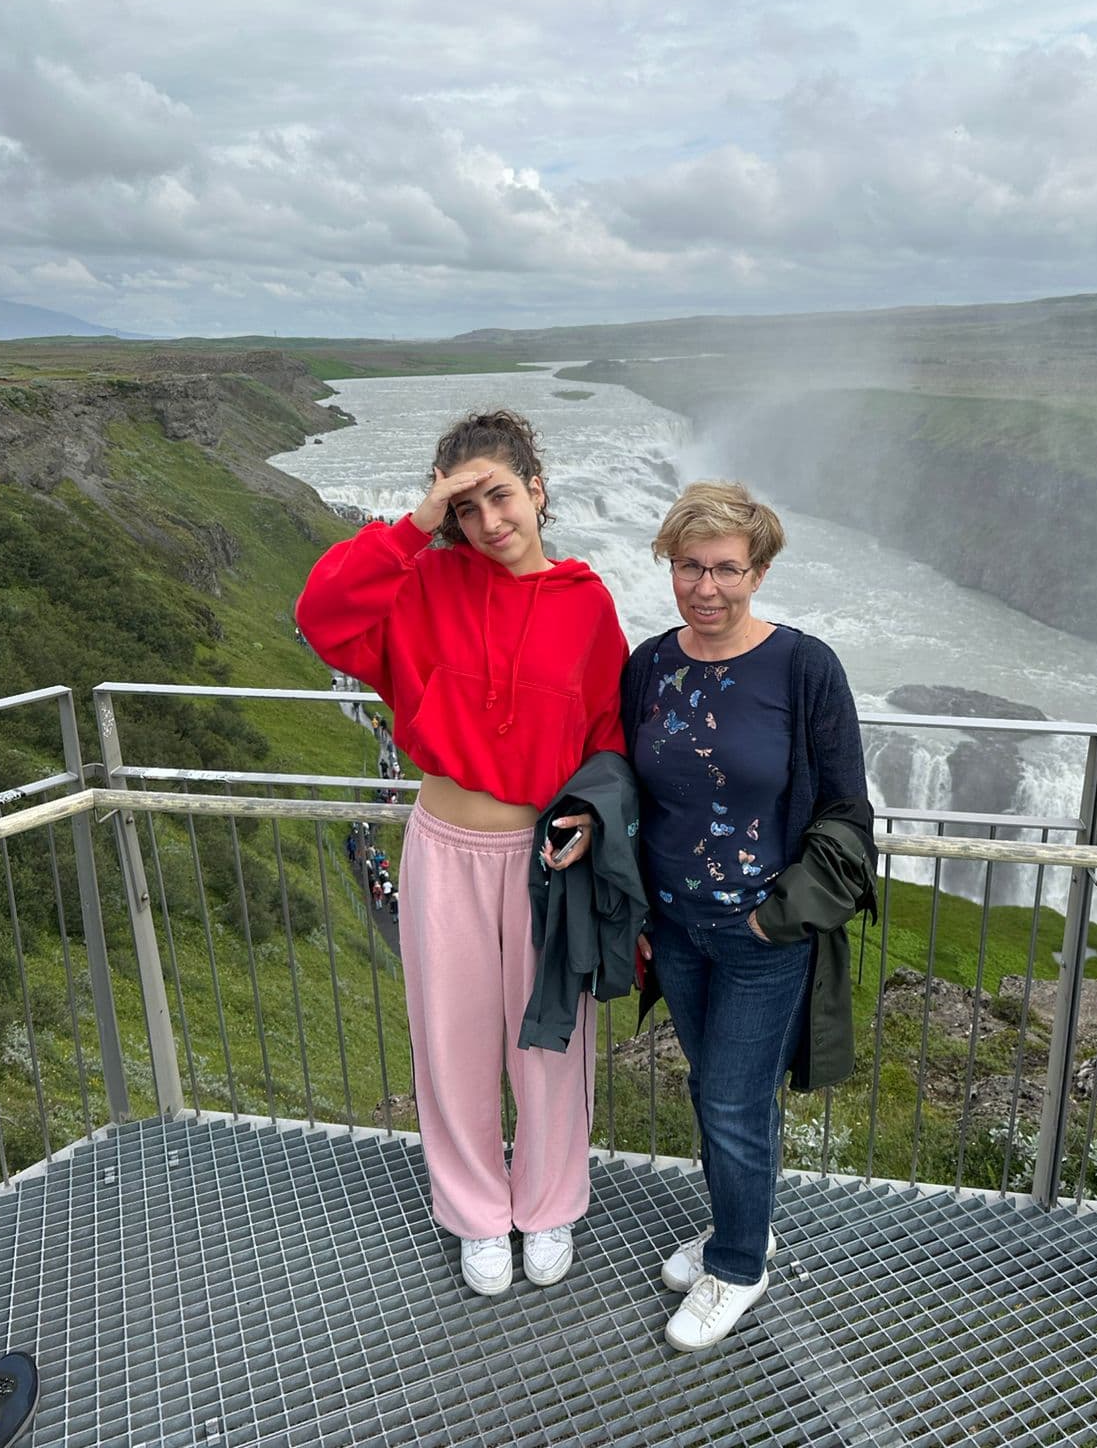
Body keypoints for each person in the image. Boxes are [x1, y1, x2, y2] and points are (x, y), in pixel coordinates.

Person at [296, 409, 628, 1296]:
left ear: (538, 491)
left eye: (501, 496)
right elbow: (322, 616)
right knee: (452, 1039)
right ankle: (476, 1209)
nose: (488, 522)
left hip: (545, 857)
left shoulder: (586, 603)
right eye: (465, 507)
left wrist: (594, 821)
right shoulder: (423, 584)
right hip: (443, 849)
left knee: (552, 1039)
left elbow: (609, 733)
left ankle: (549, 1201)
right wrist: (414, 526)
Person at [622, 481, 874, 1354]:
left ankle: (736, 1266)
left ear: (759, 572)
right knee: (720, 1090)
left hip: (761, 935)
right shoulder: (650, 665)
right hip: (677, 927)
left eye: (727, 568)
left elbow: (846, 809)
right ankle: (745, 1225)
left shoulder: (804, 668)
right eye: (689, 566)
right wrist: (638, 906)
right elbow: (636, 789)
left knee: (729, 1099)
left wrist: (779, 918)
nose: (706, 587)